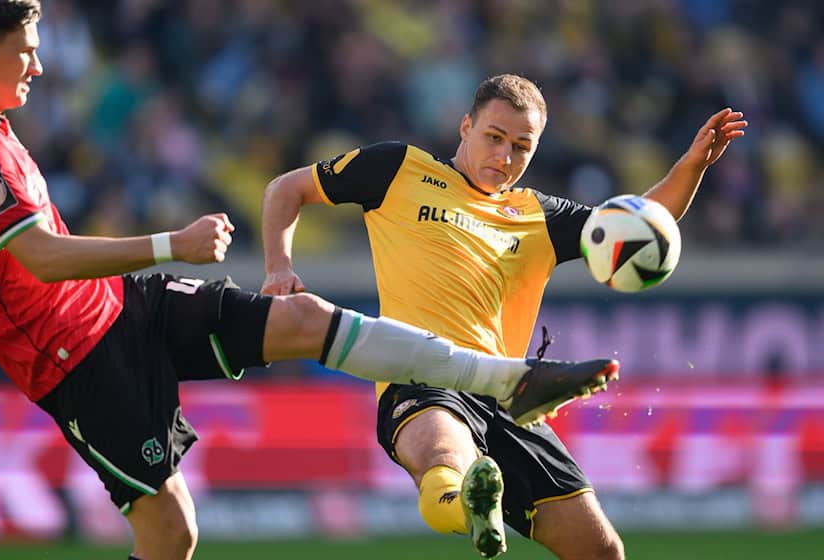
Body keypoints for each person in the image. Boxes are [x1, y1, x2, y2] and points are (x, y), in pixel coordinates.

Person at [0, 4, 620, 559]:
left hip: (125, 306)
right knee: (171, 538)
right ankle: (500, 385)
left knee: (304, 318)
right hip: (79, 358)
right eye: (27, 49)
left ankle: (506, 379)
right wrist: (172, 245)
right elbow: (43, 258)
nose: (38, 63)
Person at [261, 74, 746, 559]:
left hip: (509, 395)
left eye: (521, 146)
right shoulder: (397, 168)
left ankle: (476, 501)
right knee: (445, 465)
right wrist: (278, 268)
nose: (505, 157)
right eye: (494, 138)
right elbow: (286, 189)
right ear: (466, 126)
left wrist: (692, 165)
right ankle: (473, 509)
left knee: (603, 551)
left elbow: (638, 227)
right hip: (419, 375)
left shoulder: (539, 214)